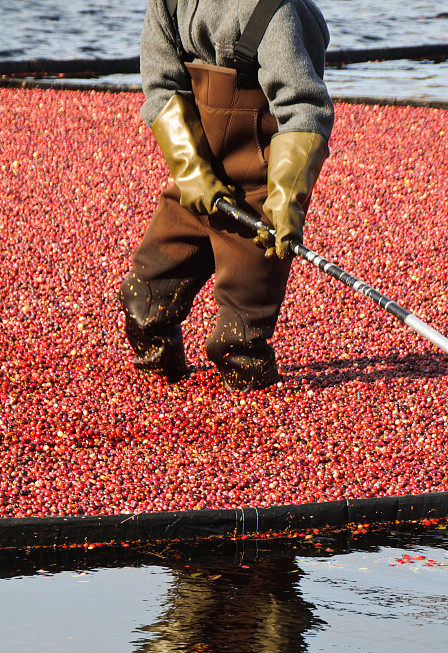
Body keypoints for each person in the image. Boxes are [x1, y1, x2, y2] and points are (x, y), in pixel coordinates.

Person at [119, 0, 334, 389]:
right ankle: (161, 390)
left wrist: (285, 199)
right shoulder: (169, 4)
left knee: (240, 342)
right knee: (144, 302)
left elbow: (303, 108)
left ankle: (259, 423)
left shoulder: (278, 12)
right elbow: (162, 84)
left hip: (260, 190)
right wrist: (191, 172)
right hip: (198, 179)